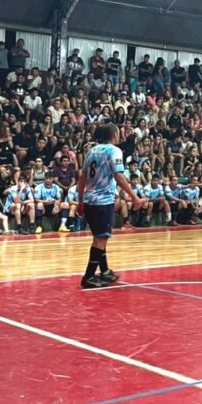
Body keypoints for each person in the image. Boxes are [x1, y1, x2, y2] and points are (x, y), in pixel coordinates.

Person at [77, 123, 142, 289]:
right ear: (114, 135)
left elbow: (82, 178)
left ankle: (104, 270)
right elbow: (119, 176)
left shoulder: (92, 150)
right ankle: (89, 276)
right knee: (101, 238)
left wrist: (80, 201)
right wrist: (134, 196)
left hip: (90, 199)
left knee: (100, 236)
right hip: (103, 201)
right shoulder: (114, 151)